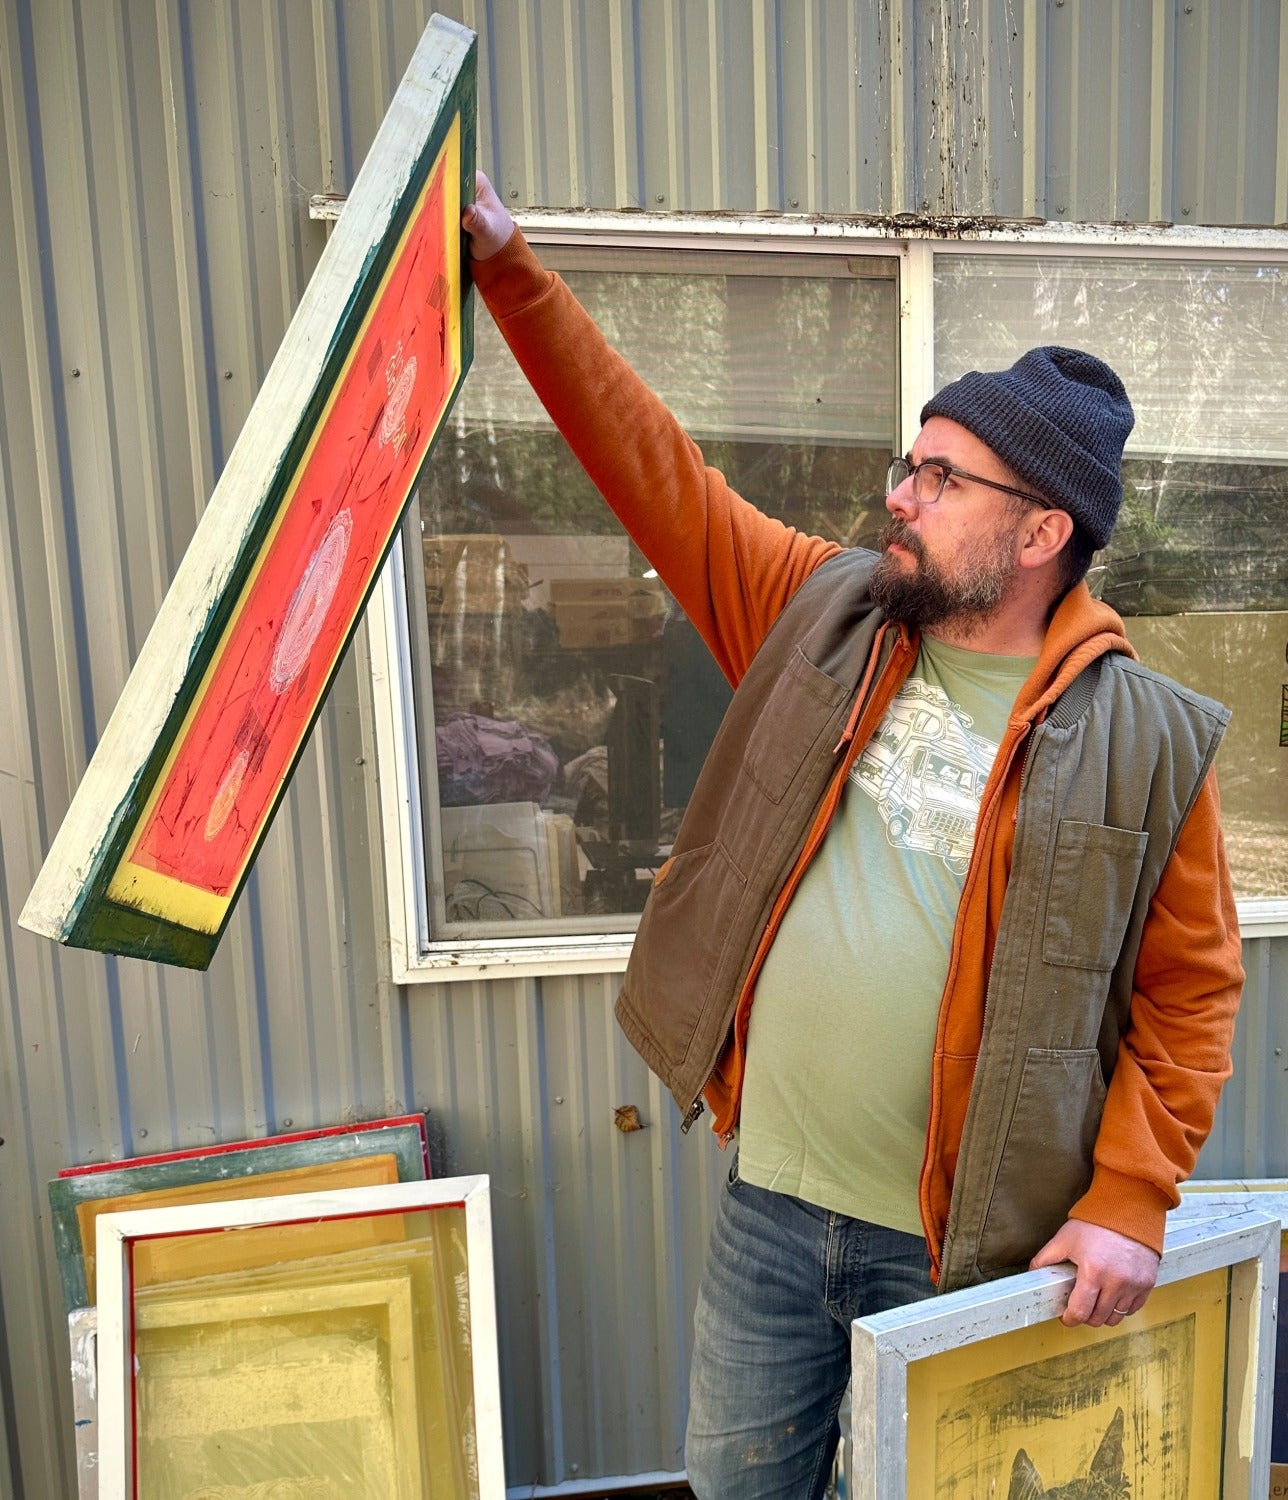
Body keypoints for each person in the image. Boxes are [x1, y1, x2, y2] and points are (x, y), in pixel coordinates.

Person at [461, 171, 1243, 1499]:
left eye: (942, 477)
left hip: (966, 1254)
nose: (902, 497)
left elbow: (1191, 995)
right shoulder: (823, 613)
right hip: (770, 1209)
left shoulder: (1148, 740)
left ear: (1042, 530)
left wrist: (1130, 1197)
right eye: (909, 466)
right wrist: (510, 268)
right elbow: (655, 470)